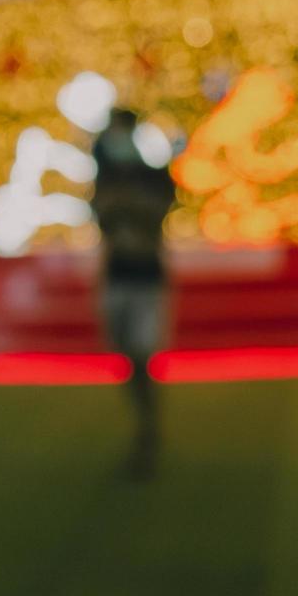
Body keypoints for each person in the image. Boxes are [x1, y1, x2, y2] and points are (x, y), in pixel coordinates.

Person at [91, 109, 176, 480]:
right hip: (117, 277)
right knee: (126, 356)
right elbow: (104, 215)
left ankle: (148, 430)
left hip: (146, 278)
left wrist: (128, 204)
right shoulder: (106, 174)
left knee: (142, 356)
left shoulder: (152, 176)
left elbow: (152, 216)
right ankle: (144, 426)